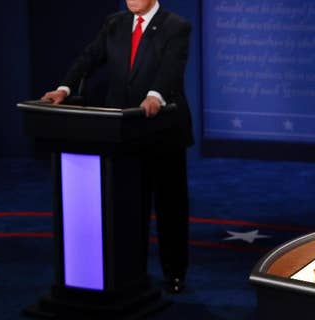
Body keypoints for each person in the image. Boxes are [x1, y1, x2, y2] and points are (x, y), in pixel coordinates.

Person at [41, 0, 193, 293]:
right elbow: (89, 58)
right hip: (122, 132)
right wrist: (64, 88)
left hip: (163, 131)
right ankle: (131, 270)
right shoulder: (115, 23)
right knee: (129, 206)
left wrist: (155, 95)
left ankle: (175, 271)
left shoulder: (176, 26)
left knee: (169, 206)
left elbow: (171, 69)